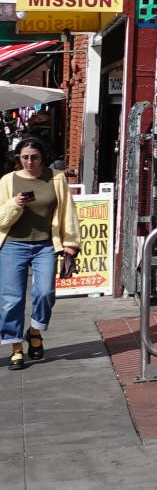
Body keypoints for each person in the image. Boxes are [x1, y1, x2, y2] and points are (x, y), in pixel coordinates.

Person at [0, 137, 77, 371]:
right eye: (25, 157)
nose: (29, 162)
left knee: (45, 293)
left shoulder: (56, 178)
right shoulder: (7, 181)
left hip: (46, 245)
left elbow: (68, 211)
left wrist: (71, 243)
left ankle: (34, 331)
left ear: (43, 158)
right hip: (12, 245)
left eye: (34, 157)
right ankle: (15, 347)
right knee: (11, 300)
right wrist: (15, 204)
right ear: (18, 158)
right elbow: (1, 220)